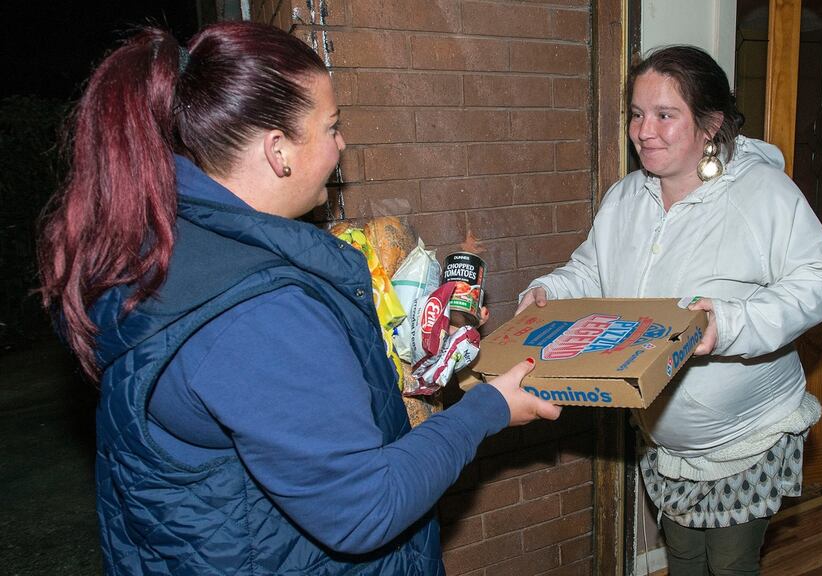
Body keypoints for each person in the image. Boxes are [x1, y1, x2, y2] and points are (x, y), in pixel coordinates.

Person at [36, 21, 560, 576]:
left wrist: (420, 341)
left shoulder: (162, 242)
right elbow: (365, 509)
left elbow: (276, 409)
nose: (341, 144)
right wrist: (490, 408)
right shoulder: (259, 312)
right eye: (331, 127)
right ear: (278, 150)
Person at [517, 46, 822, 575]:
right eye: (637, 114)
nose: (644, 131)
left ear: (710, 124)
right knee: (686, 558)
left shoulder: (763, 194)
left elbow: (819, 282)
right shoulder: (626, 198)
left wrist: (731, 322)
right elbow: (592, 272)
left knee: (732, 565)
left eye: (665, 116)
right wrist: (551, 291)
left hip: (746, 436)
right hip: (664, 435)